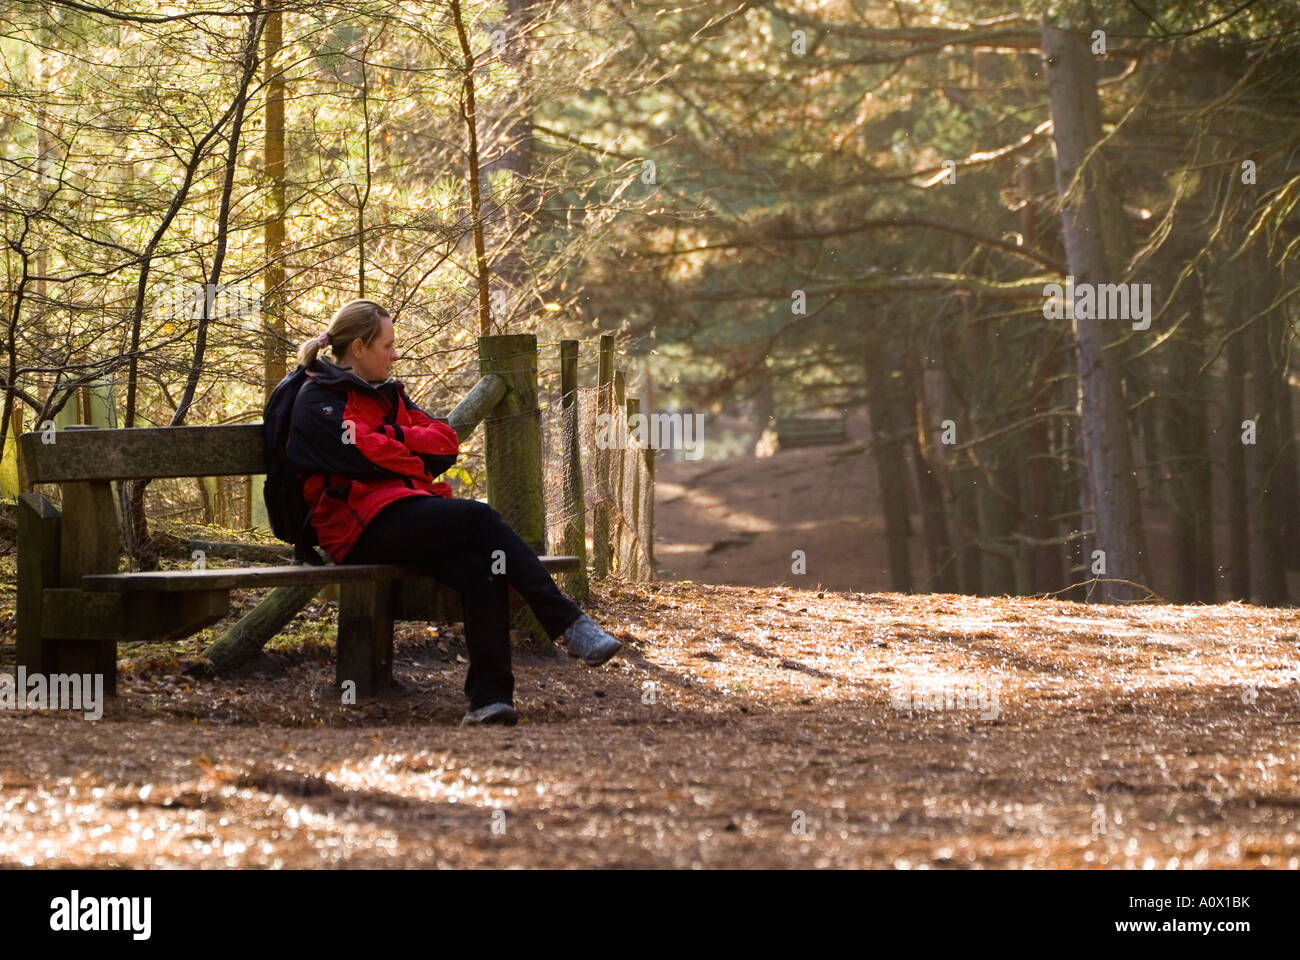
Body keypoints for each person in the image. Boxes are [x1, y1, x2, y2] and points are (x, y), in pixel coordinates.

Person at [287, 298, 622, 726]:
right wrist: (404, 448)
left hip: (406, 514)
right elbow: (366, 454)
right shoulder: (319, 400)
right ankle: (568, 622)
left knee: (484, 570)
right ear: (358, 348)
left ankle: (490, 699)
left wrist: (392, 437)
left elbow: (444, 442)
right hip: (357, 530)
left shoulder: (388, 395)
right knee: (477, 517)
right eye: (387, 346)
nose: (394, 354)